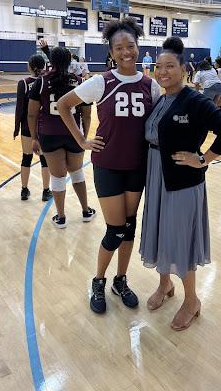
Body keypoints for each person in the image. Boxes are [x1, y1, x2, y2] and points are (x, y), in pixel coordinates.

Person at [57, 17, 160, 315]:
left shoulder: (150, 85)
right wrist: (81, 140)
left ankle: (120, 280)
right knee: (115, 229)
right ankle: (98, 281)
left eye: (130, 46)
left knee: (129, 228)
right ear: (111, 52)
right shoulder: (101, 82)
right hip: (108, 166)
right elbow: (64, 105)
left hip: (136, 167)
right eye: (119, 48)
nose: (126, 52)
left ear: (138, 47)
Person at [140, 36, 221, 331]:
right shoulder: (160, 98)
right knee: (159, 232)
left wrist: (203, 159)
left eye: (170, 66)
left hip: (182, 181)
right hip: (157, 176)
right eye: (159, 66)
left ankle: (192, 300)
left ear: (184, 69)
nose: (163, 72)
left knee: (180, 239)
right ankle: (165, 285)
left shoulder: (194, 100)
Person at [28, 47, 96, 228]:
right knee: (77, 172)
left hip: (49, 135)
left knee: (57, 177)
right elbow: (87, 114)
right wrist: (83, 137)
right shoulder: (80, 81)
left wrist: (34, 138)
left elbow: (32, 115)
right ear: (70, 62)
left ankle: (61, 217)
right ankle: (86, 210)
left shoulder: (40, 82)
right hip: (74, 135)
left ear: (50, 60)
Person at [14, 54, 52, 202]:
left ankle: (24, 190)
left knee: (26, 158)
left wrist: (16, 127)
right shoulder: (46, 82)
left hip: (26, 127)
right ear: (43, 66)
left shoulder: (23, 83)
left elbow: (19, 108)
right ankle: (45, 191)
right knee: (44, 160)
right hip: (43, 126)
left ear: (29, 66)